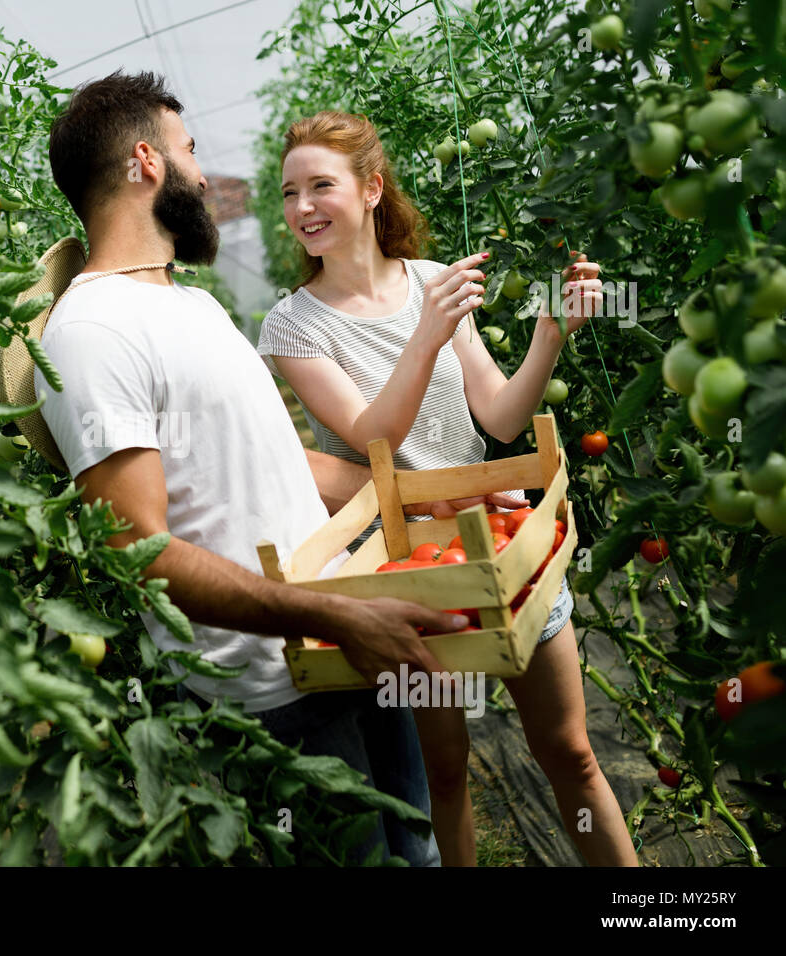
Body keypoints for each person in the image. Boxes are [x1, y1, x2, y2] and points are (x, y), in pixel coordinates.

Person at [29, 70, 525, 867]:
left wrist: (446, 495)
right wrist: (331, 617)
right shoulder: (93, 335)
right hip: (278, 690)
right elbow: (134, 547)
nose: (204, 173)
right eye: (192, 152)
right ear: (147, 163)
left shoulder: (187, 304)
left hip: (347, 643)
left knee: (420, 851)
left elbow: (281, 464)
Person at [256, 109, 638, 866]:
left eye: (320, 186)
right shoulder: (294, 325)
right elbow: (375, 439)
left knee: (573, 754)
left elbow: (497, 413)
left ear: (370, 189)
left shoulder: (432, 284)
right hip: (415, 577)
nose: (302, 207)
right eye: (290, 192)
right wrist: (426, 336)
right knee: (447, 772)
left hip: (503, 543)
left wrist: (549, 336)